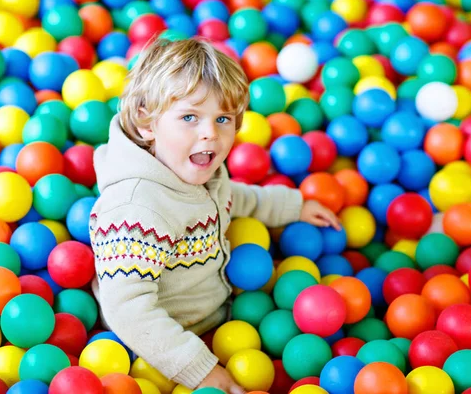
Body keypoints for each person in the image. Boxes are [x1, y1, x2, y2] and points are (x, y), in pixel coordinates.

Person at [89, 37, 340, 394]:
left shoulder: (199, 172)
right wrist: (201, 371)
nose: (210, 133)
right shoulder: (137, 211)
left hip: (219, 322)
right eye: (189, 117)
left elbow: (233, 196)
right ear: (147, 124)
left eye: (223, 118)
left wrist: (292, 206)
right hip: (153, 353)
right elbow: (129, 310)